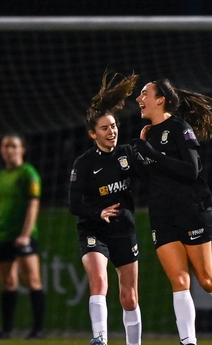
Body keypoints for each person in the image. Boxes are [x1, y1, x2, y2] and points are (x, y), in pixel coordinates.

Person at [132, 79, 212, 345]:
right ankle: (188, 342)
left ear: (160, 100)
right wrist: (138, 161)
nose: (139, 99)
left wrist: (152, 154)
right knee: (179, 280)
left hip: (191, 209)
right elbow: (152, 174)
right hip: (161, 212)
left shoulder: (179, 128)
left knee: (206, 279)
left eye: (144, 94)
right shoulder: (146, 133)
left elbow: (191, 170)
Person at [68, 72, 142, 345]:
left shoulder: (127, 155)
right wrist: (97, 213)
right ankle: (100, 339)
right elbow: (74, 204)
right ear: (92, 134)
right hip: (94, 230)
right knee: (99, 280)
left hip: (124, 229)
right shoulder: (84, 164)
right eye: (104, 128)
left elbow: (151, 175)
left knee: (130, 296)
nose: (111, 132)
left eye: (113, 126)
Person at [0, 132, 46, 340]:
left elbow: (33, 205)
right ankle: (6, 330)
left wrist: (26, 235)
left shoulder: (29, 174)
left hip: (22, 237)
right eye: (5, 146)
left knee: (32, 280)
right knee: (7, 282)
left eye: (13, 146)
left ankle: (38, 330)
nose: (8, 150)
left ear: (22, 149)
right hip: (2, 236)